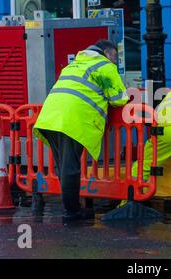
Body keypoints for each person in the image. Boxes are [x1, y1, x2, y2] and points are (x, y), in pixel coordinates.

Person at [33, 39, 129, 221]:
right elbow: (119, 99)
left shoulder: (74, 65)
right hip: (72, 120)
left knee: (64, 166)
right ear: (106, 52)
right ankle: (72, 212)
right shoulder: (105, 66)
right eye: (115, 56)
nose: (115, 60)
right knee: (70, 168)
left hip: (50, 117)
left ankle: (72, 207)